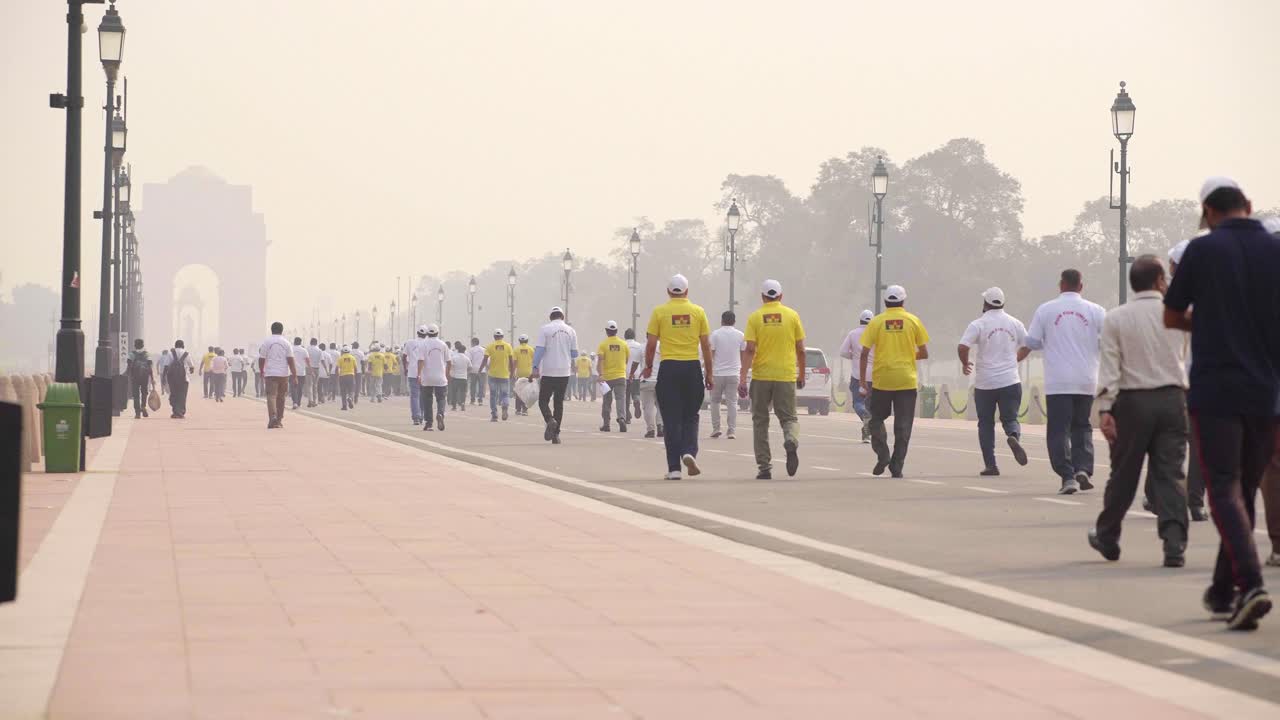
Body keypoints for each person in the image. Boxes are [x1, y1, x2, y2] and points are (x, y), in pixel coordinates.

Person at [1164, 177, 1277, 631]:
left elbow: (1172, 314)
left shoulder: (1203, 250)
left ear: (1207, 213)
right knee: (1244, 489)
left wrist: (1211, 321)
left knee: (1224, 490)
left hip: (1216, 389)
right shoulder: (1274, 249)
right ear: (1248, 205)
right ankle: (1223, 589)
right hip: (1266, 390)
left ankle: (1250, 583)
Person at [1086, 255, 1189, 568]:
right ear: (1160, 280)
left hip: (1132, 403)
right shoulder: (1178, 313)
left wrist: (1105, 409)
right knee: (1170, 474)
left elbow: (1110, 368)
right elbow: (1186, 354)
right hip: (1173, 400)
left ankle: (1108, 536)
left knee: (1124, 474)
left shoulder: (1116, 318)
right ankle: (1174, 544)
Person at [1023, 269, 1106, 495]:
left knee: (1059, 429)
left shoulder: (1046, 309)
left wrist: (1049, 341)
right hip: (1086, 379)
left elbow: (1031, 340)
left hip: (1058, 381)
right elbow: (1109, 339)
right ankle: (1083, 469)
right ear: (1081, 286)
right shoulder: (1096, 310)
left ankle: (1067, 475)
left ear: (1061, 285)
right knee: (1083, 426)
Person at [645, 274, 713, 480]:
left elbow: (651, 344)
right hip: (692, 368)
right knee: (691, 416)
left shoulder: (660, 312)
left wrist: (648, 366)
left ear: (668, 292)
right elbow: (706, 346)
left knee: (671, 419)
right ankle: (689, 452)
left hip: (669, 368)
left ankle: (674, 468)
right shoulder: (698, 312)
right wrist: (709, 373)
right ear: (687, 292)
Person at [957, 287, 1030, 476]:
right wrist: (1016, 359)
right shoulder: (1015, 323)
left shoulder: (978, 324)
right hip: (1011, 381)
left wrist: (965, 364)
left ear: (985, 304)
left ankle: (991, 465)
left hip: (985, 383)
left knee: (986, 423)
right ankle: (1013, 435)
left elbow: (963, 346)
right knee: (1011, 418)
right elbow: (1028, 344)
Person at [860, 285, 930, 478]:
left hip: (882, 380)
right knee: (903, 425)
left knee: (875, 420)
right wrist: (907, 355)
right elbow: (924, 352)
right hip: (906, 381)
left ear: (885, 302)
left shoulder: (876, 322)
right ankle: (897, 466)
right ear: (903, 301)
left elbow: (864, 352)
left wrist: (863, 382)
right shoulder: (913, 321)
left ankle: (883, 454)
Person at [741, 280, 806, 479]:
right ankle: (791, 440)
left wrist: (743, 376)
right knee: (789, 418)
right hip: (785, 375)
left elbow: (750, 349)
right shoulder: (792, 315)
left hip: (761, 376)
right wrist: (801, 373)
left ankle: (764, 467)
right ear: (780, 296)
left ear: (762, 297)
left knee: (760, 421)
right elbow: (801, 349)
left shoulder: (755, 317)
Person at [533, 306, 578, 444]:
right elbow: (574, 353)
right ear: (562, 317)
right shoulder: (571, 331)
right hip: (564, 371)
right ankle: (556, 435)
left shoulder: (545, 329)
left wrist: (535, 367)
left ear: (550, 317)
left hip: (548, 371)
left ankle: (549, 419)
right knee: (558, 403)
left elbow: (539, 350)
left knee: (543, 401)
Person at [839, 310, 875, 443]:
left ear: (860, 320)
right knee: (871, 406)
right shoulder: (876, 334)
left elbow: (843, 351)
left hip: (858, 375)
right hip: (875, 376)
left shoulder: (853, 334)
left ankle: (866, 421)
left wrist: (853, 356)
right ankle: (867, 432)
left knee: (858, 403)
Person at [708, 310, 745, 440]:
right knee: (732, 402)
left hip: (717, 373)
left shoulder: (715, 334)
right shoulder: (740, 335)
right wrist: (742, 373)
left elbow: (710, 355)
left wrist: (709, 373)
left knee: (714, 401)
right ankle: (731, 431)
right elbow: (743, 355)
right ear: (734, 321)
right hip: (734, 373)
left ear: (722, 320)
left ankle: (716, 428)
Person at [260, 323, 297, 428]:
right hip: (284, 374)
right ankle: (279, 419)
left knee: (271, 396)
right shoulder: (286, 343)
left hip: (271, 373)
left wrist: (262, 371)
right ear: (282, 330)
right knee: (281, 397)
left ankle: (273, 417)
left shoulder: (267, 342)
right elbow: (291, 360)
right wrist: (294, 375)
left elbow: (262, 358)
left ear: (271, 330)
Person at [596, 321, 630, 432]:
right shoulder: (624, 344)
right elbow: (626, 360)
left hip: (607, 378)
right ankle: (622, 418)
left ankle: (606, 424)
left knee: (607, 400)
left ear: (606, 331)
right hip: (621, 376)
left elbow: (600, 360)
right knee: (621, 399)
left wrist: (600, 374)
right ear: (616, 331)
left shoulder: (603, 344)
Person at [416, 325, 450, 431]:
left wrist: (419, 374)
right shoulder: (443, 344)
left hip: (427, 377)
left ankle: (429, 423)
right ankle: (440, 413)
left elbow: (421, 360)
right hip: (440, 377)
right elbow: (449, 362)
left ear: (428, 333)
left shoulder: (423, 344)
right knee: (441, 398)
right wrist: (447, 374)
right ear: (437, 333)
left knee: (427, 400)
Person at [482, 329, 515, 421]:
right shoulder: (508, 346)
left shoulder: (490, 346)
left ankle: (494, 415)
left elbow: (485, 360)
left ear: (494, 337)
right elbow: (511, 361)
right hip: (504, 375)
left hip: (492, 374)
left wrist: (480, 369)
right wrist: (512, 372)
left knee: (493, 395)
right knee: (505, 394)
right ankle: (504, 406)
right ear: (502, 336)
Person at [126, 338, 155, 419]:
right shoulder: (147, 354)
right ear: (143, 345)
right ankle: (143, 406)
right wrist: (152, 378)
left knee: (135, 395)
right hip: (144, 377)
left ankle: (137, 413)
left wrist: (127, 375)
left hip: (134, 377)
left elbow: (129, 365)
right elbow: (149, 366)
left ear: (135, 345)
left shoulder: (132, 354)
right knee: (144, 392)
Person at [404, 327, 427, 424]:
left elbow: (404, 356)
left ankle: (416, 417)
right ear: (426, 334)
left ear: (417, 333)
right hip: (425, 372)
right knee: (423, 395)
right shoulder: (428, 343)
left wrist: (405, 368)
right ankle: (421, 415)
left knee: (414, 396)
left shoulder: (410, 342)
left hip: (413, 372)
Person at [166, 339, 195, 419]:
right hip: (184, 378)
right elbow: (191, 367)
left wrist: (164, 377)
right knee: (182, 395)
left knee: (174, 394)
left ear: (175, 345)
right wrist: (190, 371)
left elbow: (166, 366)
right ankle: (180, 412)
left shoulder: (170, 353)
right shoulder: (186, 354)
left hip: (172, 378)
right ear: (183, 345)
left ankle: (175, 412)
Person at [625, 328, 644, 421]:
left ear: (625, 336)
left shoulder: (623, 345)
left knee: (625, 396)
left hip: (624, 374)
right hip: (636, 373)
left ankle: (627, 416)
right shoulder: (639, 346)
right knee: (635, 393)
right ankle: (636, 401)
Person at [513, 334, 535, 416]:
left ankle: (518, 410)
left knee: (519, 392)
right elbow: (534, 361)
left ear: (519, 341)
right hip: (528, 374)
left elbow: (514, 362)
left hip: (519, 374)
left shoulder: (516, 350)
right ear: (527, 341)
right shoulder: (531, 349)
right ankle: (525, 410)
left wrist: (512, 372)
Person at [448, 341, 471, 411]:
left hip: (455, 377)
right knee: (463, 392)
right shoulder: (467, 359)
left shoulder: (454, 357)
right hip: (464, 378)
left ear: (458, 350)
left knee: (454, 392)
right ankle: (463, 403)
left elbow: (451, 366)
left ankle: (454, 406)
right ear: (464, 350)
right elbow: (470, 367)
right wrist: (466, 371)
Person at [467, 338, 487, 406]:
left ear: (473, 342)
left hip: (473, 370)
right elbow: (487, 360)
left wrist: (468, 369)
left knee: (473, 385)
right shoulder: (484, 350)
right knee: (481, 385)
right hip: (482, 370)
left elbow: (469, 360)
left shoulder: (471, 350)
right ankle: (480, 400)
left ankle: (472, 400)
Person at [337, 345, 358, 410]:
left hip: (342, 376)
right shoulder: (352, 358)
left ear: (343, 351)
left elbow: (337, 368)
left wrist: (337, 376)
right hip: (351, 375)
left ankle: (344, 406)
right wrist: (355, 375)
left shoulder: (340, 358)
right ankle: (350, 398)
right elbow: (355, 368)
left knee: (343, 392)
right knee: (351, 390)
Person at [290, 337, 308, 410]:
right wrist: (310, 369)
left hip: (292, 372)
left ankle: (295, 402)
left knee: (293, 388)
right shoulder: (304, 350)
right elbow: (307, 360)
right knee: (300, 388)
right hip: (301, 372)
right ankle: (299, 402)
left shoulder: (291, 349)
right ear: (301, 342)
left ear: (294, 342)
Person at [350, 341, 364, 405]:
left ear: (353, 346)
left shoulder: (350, 352)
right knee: (358, 385)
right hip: (359, 371)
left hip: (351, 370)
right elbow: (362, 363)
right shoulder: (361, 353)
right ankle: (356, 397)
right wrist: (363, 371)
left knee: (351, 384)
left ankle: (351, 396)